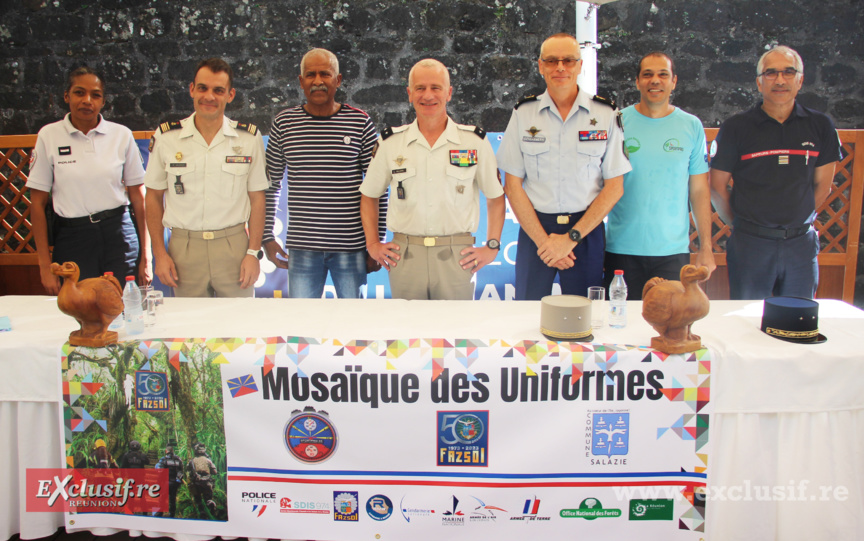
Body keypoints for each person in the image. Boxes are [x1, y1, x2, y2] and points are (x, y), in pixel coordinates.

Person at [497, 33, 631, 301]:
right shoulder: (523, 113)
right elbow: (512, 185)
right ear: (540, 66)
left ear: (580, 65)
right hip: (537, 230)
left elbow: (615, 187)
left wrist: (571, 238)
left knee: (585, 317)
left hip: (585, 230)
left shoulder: (605, 114)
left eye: (568, 60)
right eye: (552, 61)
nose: (560, 67)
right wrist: (545, 242)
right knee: (526, 314)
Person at [359, 59, 505, 300]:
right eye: (420, 88)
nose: (428, 95)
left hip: (457, 255)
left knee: (455, 333)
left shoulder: (474, 142)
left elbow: (496, 198)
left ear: (449, 93)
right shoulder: (390, 143)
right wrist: (373, 244)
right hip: (405, 255)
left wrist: (492, 246)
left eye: (436, 88)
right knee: (407, 334)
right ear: (409, 93)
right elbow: (369, 195)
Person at [709, 46, 841, 299]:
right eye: (770, 73)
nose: (780, 80)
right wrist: (742, 225)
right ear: (759, 83)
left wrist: (796, 220)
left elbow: (823, 185)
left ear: (800, 80)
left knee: (797, 326)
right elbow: (716, 186)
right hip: (751, 246)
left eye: (788, 72)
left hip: (800, 246)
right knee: (747, 324)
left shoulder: (820, 126)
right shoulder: (736, 127)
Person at [264, 48, 384, 298]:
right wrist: (267, 236)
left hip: (351, 248)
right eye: (310, 75)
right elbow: (270, 184)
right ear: (301, 81)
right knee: (303, 326)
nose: (317, 81)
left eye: (325, 74)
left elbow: (377, 188)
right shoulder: (284, 123)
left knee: (353, 327)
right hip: (303, 249)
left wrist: (376, 242)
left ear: (337, 80)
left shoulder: (360, 121)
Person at [144, 58, 268, 298]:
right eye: (203, 88)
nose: (209, 96)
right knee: (189, 331)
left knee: (239, 327)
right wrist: (160, 254)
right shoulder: (167, 137)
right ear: (192, 89)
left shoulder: (248, 139)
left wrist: (253, 253)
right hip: (184, 249)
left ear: (230, 95)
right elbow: (153, 197)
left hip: (233, 248)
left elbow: (257, 199)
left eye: (218, 90)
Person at [27, 66, 150, 295]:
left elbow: (138, 196)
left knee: (124, 307)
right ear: (66, 96)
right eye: (79, 93)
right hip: (74, 239)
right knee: (80, 311)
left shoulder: (121, 135)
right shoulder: (49, 136)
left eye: (95, 95)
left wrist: (146, 255)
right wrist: (45, 265)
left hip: (119, 235)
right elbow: (37, 203)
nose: (87, 100)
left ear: (103, 101)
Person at [605, 52, 715, 299]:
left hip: (672, 253)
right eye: (648, 75)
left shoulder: (691, 125)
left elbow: (699, 190)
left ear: (673, 81)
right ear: (637, 82)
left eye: (663, 75)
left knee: (671, 326)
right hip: (622, 249)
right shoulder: (616, 122)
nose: (655, 80)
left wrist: (706, 247)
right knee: (620, 325)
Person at [186, 442, 218, 516]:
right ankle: (211, 511)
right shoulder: (208, 460)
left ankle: (202, 514)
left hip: (196, 483)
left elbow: (188, 470)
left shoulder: (192, 461)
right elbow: (215, 472)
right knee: (208, 499)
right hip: (207, 483)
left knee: (198, 500)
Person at [154, 444, 183, 517]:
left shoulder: (164, 459)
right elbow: (181, 471)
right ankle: (172, 514)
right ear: (173, 451)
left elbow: (160, 472)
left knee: (162, 498)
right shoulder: (178, 459)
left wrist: (159, 482)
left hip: (166, 482)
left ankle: (160, 514)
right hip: (175, 482)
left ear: (166, 451)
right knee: (172, 499)